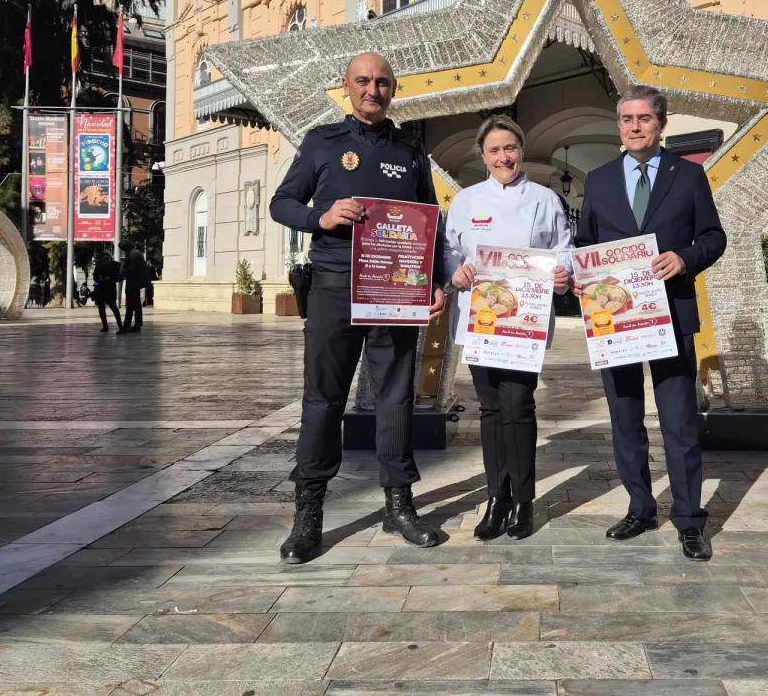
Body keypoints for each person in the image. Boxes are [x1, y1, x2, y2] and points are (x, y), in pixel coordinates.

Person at [269, 51, 448, 563]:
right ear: (346, 86)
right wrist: (320, 218)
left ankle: (399, 504)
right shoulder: (322, 142)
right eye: (363, 82)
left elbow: (428, 220)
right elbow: (283, 203)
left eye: (383, 83)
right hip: (332, 286)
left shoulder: (411, 149)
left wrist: (434, 280)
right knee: (323, 399)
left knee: (395, 398)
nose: (373, 90)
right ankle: (309, 512)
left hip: (394, 291)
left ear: (394, 90)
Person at [575, 85, 727, 561]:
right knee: (624, 419)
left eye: (643, 118)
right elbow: (584, 245)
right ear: (619, 125)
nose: (634, 127)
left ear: (660, 124)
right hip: (614, 320)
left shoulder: (689, 177)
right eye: (626, 119)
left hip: (670, 315)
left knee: (679, 422)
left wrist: (684, 259)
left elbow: (714, 237)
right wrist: (581, 278)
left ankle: (688, 520)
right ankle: (640, 507)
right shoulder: (598, 180)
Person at [444, 116, 573, 541]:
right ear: (483, 157)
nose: (504, 157)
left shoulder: (545, 198)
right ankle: (496, 496)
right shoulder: (465, 201)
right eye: (495, 150)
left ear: (521, 150)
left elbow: (563, 249)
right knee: (490, 408)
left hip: (524, 321)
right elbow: (448, 249)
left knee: (518, 406)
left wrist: (562, 273)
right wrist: (455, 273)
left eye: (511, 148)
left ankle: (523, 501)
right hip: (481, 320)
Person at [118, 242, 149, 333]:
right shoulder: (136, 254)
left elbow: (129, 269)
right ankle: (137, 325)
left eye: (122, 249)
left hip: (133, 283)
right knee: (136, 305)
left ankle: (126, 326)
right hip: (135, 283)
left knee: (130, 305)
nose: (123, 251)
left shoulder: (132, 255)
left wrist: (122, 272)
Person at [92, 249, 122, 333]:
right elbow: (95, 277)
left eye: (107, 258)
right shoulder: (99, 266)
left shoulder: (116, 265)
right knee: (101, 309)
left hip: (110, 289)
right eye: (103, 259)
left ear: (110, 258)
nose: (105, 260)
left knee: (114, 308)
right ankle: (105, 326)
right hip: (100, 289)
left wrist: (112, 279)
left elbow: (121, 277)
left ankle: (120, 325)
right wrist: (100, 280)